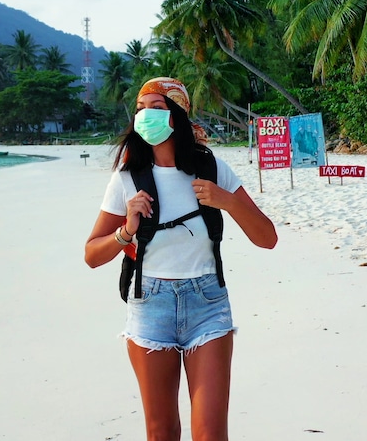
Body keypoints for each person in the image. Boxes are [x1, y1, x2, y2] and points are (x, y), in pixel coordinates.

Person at [85, 77, 277, 441]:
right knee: (162, 433)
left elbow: (267, 238)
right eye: (140, 109)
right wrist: (126, 230)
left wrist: (229, 201)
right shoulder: (127, 177)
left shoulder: (212, 168)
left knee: (210, 435)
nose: (145, 117)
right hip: (149, 305)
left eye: (156, 108)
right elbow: (92, 255)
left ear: (177, 114)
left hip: (208, 304)